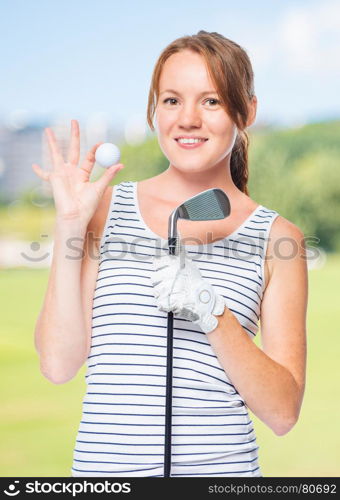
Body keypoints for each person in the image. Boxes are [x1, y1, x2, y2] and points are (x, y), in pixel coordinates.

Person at [32, 30, 308, 477]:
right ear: (153, 111)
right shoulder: (103, 211)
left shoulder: (279, 238)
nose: (188, 119)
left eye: (212, 101)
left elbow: (282, 412)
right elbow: (58, 365)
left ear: (248, 111)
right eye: (172, 101)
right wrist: (70, 226)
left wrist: (211, 310)